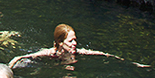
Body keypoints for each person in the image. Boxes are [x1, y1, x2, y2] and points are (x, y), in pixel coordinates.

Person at [8, 23, 136, 69]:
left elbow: (101, 54)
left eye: (75, 40)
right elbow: (23, 56)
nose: (75, 44)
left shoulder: (79, 52)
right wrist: (11, 66)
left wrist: (129, 62)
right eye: (70, 41)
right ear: (60, 43)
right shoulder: (51, 53)